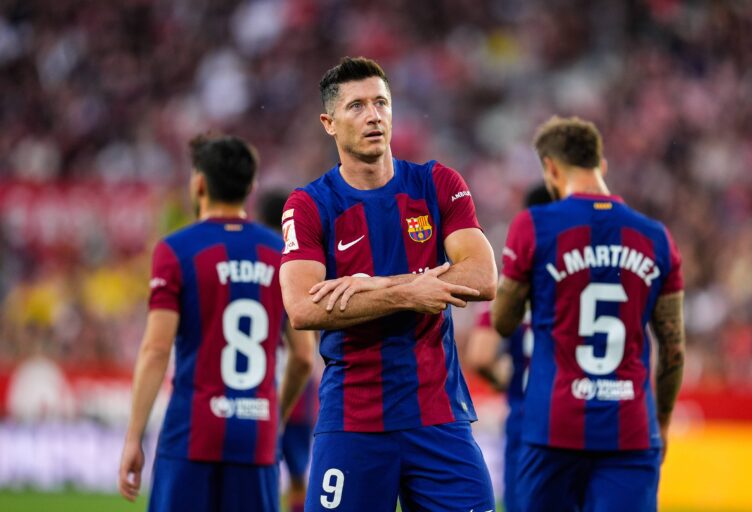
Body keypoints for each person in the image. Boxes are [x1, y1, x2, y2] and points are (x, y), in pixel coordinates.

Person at [279, 57, 498, 512]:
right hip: (353, 420)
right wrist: (408, 292)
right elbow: (302, 307)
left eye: (381, 102)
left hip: (438, 416)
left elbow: (482, 276)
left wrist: (368, 287)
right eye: (357, 106)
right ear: (329, 123)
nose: (374, 115)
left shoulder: (437, 183)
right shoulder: (309, 204)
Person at [492, 116, 686, 512]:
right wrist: (661, 421)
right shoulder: (656, 237)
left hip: (552, 429)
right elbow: (674, 350)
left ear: (550, 167)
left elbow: (503, 321)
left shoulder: (534, 226)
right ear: (602, 166)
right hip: (630, 431)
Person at [118, 135, 315, 512]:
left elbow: (157, 348)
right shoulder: (280, 254)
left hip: (192, 433)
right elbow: (304, 358)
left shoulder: (176, 250)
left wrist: (133, 437)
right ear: (251, 187)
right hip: (256, 435)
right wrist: (276, 418)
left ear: (199, 183)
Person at [465, 183, 551, 512]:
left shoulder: (512, 283)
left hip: (528, 420)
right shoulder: (590, 274)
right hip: (585, 417)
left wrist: (510, 379)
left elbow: (481, 355)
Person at [259, 189, 319, 512]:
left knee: (263, 471)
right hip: (300, 388)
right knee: (298, 475)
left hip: (264, 386)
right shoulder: (301, 263)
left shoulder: (259, 260)